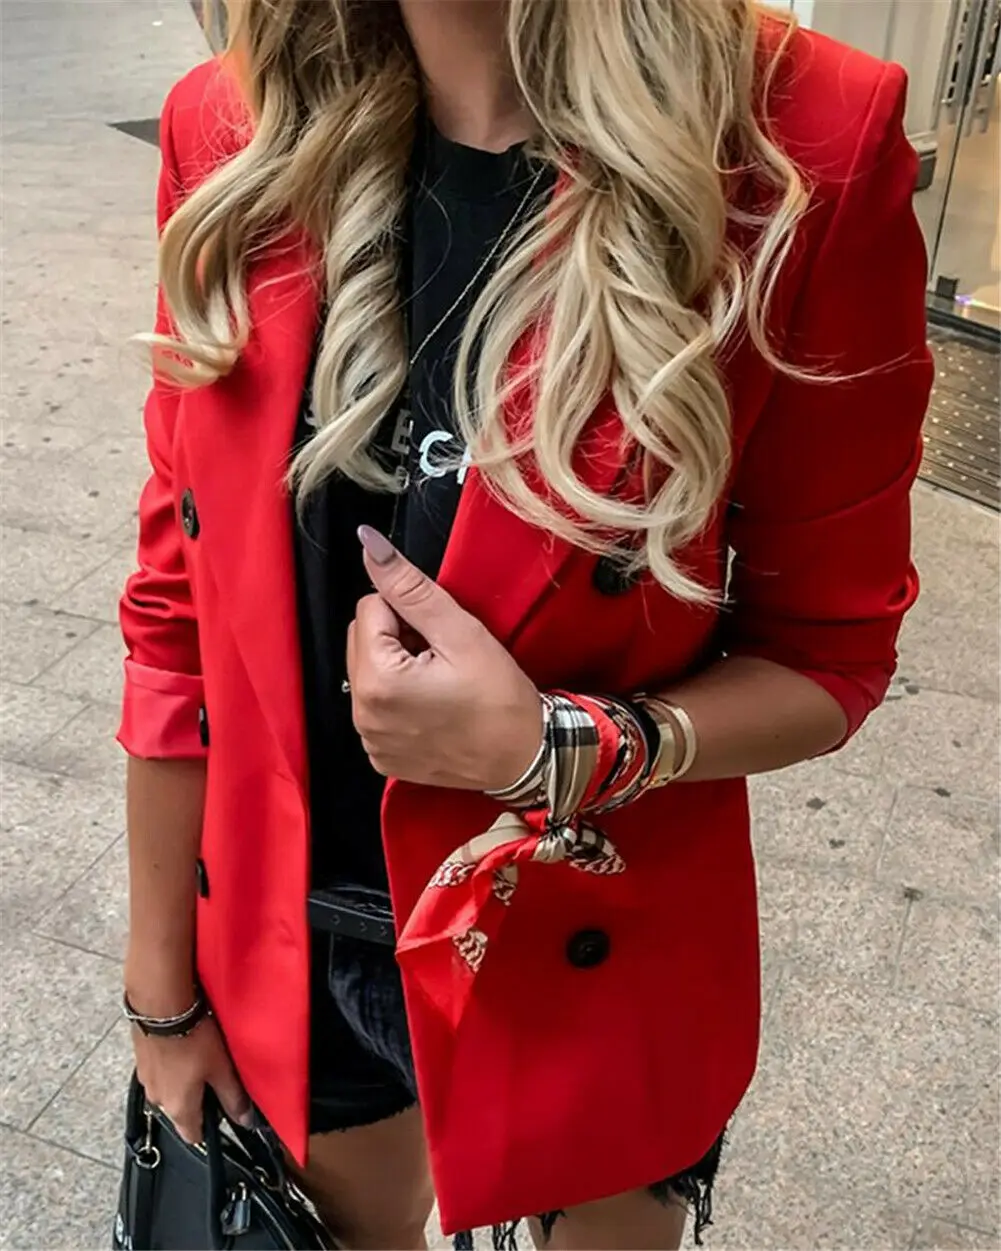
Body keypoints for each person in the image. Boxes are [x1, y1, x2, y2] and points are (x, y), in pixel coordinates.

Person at [117, 1, 933, 1247]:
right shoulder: (234, 124)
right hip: (297, 935)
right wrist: (160, 995)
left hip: (591, 940)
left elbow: (829, 656)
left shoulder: (801, 136)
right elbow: (176, 618)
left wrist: (554, 747)